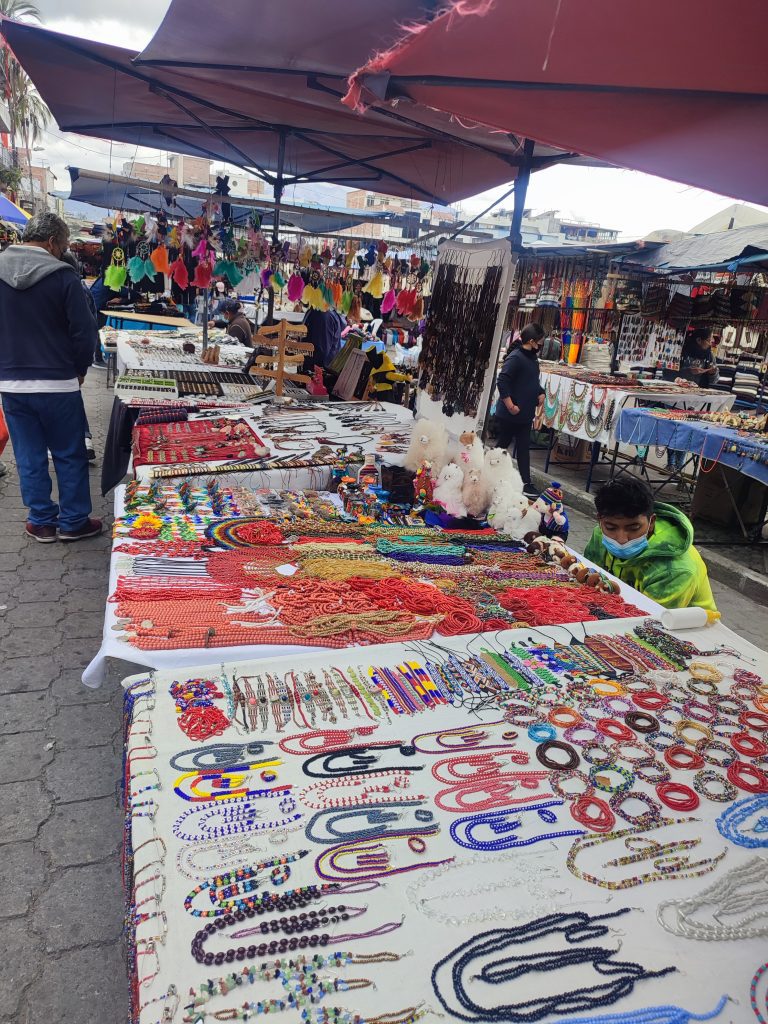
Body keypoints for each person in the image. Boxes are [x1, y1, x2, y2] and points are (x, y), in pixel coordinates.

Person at [0, 212, 102, 542]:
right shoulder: (63, 276)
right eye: (65, 245)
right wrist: (80, 369)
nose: (64, 251)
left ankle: (41, 520)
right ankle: (73, 521)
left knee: (28, 454)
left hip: (11, 384)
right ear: (52, 242)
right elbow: (84, 331)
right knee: (69, 453)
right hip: (58, 382)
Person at [584, 477, 717, 612]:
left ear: (651, 522)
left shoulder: (674, 570)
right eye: (611, 528)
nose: (622, 539)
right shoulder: (600, 535)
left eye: (634, 528)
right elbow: (588, 579)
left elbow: (651, 619)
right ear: (600, 521)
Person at [493, 322, 546, 497]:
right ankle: (490, 473)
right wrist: (510, 405)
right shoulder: (516, 358)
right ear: (531, 341)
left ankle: (526, 483)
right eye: (540, 342)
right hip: (511, 413)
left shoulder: (532, 359)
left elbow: (532, 381)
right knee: (503, 446)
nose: (541, 345)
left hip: (524, 413)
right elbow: (502, 381)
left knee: (522, 448)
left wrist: (541, 392)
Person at [61, 250, 99, 461]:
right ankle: (84, 439)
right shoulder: (81, 287)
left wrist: (81, 367)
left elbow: (85, 329)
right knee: (73, 397)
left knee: (68, 398)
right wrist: (83, 365)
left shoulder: (68, 287)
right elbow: (90, 328)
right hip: (70, 356)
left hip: (60, 356)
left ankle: (78, 441)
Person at [667, 328, 721, 473]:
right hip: (677, 396)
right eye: (708, 340)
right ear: (698, 340)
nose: (710, 343)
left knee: (689, 430)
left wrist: (713, 372)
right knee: (674, 428)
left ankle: (679, 466)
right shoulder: (682, 351)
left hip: (698, 399)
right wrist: (687, 371)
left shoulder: (709, 355)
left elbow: (715, 380)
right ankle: (671, 462)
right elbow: (668, 372)